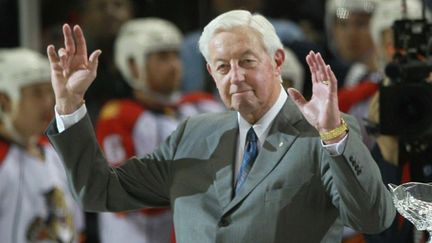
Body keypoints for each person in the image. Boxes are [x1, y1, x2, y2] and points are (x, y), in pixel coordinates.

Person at [45, 10, 395, 243]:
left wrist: (333, 135)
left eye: (246, 61)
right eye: (223, 67)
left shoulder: (327, 132)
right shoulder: (191, 134)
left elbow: (373, 217)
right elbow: (99, 191)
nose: (236, 77)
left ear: (276, 62)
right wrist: (70, 106)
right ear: (211, 74)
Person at [96, 17, 224, 243]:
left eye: (176, 55)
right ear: (133, 64)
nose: (174, 65)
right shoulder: (118, 117)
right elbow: (122, 195)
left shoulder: (202, 105)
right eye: (163, 57)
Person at [364, 0, 432, 242]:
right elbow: (382, 236)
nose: (401, 53)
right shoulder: (374, 109)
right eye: (393, 44)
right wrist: (388, 157)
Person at [0, 48, 84, 243]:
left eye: (50, 91)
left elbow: (75, 228)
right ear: (4, 101)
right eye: (37, 93)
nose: (48, 103)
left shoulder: (55, 151)